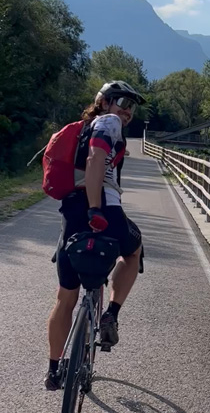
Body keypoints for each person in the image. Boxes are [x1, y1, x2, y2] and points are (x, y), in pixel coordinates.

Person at [45, 81, 146, 391]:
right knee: (133, 251)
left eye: (131, 105)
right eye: (121, 102)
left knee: (65, 297)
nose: (127, 110)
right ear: (104, 102)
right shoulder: (108, 123)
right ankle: (111, 314)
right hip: (102, 210)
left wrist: (84, 208)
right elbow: (95, 160)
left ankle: (53, 370)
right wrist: (95, 208)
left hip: (71, 213)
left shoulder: (82, 127)